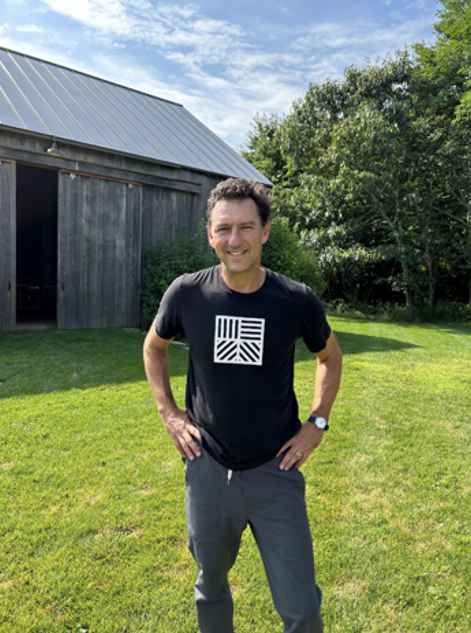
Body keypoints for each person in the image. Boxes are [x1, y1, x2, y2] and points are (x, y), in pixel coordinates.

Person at [143, 177, 342, 633]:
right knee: (210, 583)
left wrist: (317, 422)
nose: (235, 240)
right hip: (208, 469)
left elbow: (329, 356)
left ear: (265, 231)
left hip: (277, 471)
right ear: (210, 234)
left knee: (300, 606)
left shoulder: (294, 300)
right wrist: (169, 413)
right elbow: (154, 347)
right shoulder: (187, 294)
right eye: (224, 228)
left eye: (246, 227)